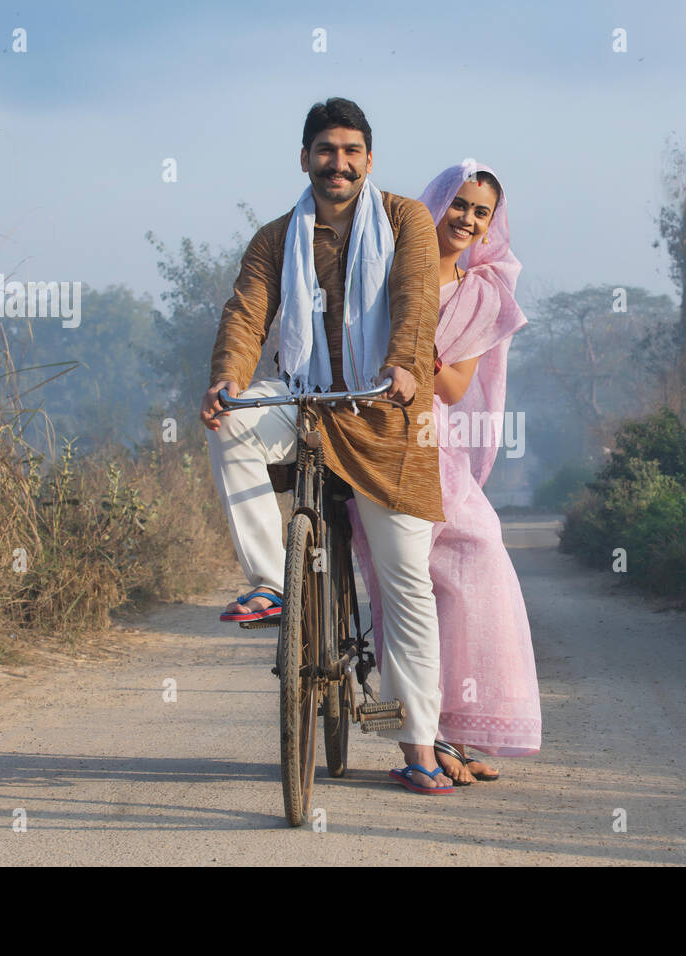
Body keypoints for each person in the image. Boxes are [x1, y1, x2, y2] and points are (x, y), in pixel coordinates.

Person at [200, 97, 454, 794]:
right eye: (324, 149)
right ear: (305, 157)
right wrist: (226, 380)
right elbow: (247, 312)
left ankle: (418, 746)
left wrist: (404, 364)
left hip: (384, 418)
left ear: (368, 160)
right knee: (232, 420)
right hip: (307, 406)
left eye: (350, 151)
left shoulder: (406, 221)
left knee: (405, 588)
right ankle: (269, 583)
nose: (336, 163)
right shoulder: (275, 237)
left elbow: (415, 299)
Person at [347, 160, 541, 785]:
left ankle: (459, 730)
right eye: (458, 204)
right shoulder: (385, 272)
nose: (466, 219)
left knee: (480, 556)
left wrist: (416, 352)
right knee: (407, 584)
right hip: (376, 428)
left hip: (436, 436)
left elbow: (456, 387)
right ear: (436, 204)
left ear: (490, 226)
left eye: (480, 212)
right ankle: (419, 738)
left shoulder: (483, 295)